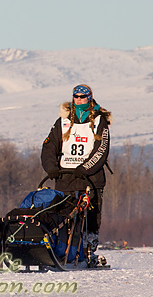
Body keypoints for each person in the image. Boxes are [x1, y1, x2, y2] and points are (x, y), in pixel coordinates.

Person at [41, 84, 112, 267]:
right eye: (76, 96)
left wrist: (85, 168)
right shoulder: (63, 120)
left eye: (83, 96)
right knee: (63, 216)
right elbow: (49, 147)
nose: (79, 100)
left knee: (91, 217)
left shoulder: (99, 120)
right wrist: (51, 168)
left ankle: (88, 251)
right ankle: (64, 251)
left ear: (89, 98)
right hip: (65, 178)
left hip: (91, 178)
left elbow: (101, 150)